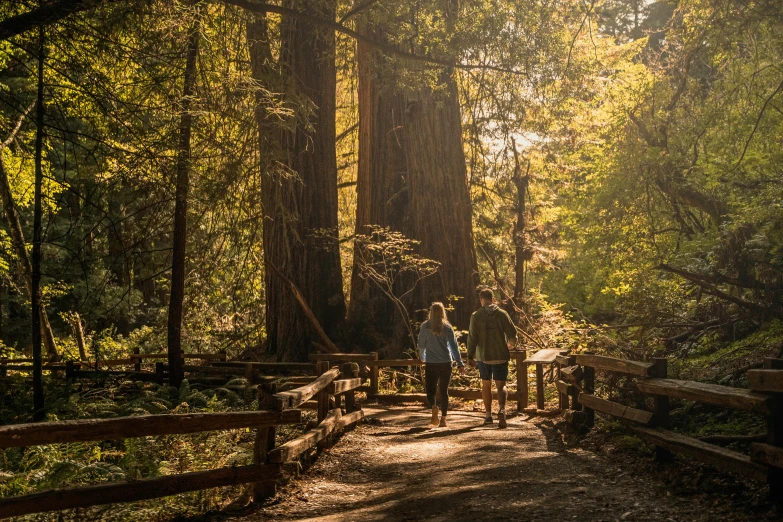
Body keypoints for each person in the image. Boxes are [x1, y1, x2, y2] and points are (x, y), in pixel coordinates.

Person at [467, 288, 517, 428]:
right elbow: (513, 334)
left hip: (483, 356)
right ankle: (501, 409)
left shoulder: (476, 316)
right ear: (493, 299)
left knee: (486, 385)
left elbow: (472, 338)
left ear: (481, 300)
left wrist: (470, 356)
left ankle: (488, 415)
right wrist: (510, 345)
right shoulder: (502, 314)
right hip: (500, 355)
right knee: (501, 385)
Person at [418, 302, 465, 427]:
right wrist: (460, 363)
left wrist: (422, 358)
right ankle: (443, 419)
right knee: (444, 391)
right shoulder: (447, 327)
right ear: (443, 312)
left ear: (431, 312)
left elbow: (421, 345)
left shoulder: (425, 326)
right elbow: (454, 347)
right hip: (446, 362)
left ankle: (434, 407)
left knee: (430, 390)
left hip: (431, 362)